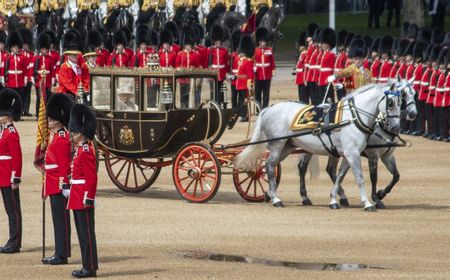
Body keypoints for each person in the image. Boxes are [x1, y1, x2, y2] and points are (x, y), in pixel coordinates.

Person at [41, 93, 74, 265]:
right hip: (53, 183)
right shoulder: (58, 136)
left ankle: (61, 254)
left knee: (60, 220)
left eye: (52, 119)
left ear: (59, 120)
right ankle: (60, 251)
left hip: (58, 185)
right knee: (58, 220)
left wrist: (64, 185)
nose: (49, 121)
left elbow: (64, 166)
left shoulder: (62, 138)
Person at [68, 103, 98, 278]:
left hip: (83, 198)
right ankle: (87, 264)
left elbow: (91, 178)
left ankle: (90, 266)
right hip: (77, 195)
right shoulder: (80, 149)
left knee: (86, 234)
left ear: (83, 132)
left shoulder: (86, 150)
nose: (72, 135)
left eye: (75, 132)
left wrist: (89, 198)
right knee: (82, 234)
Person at [0, 88, 22, 254]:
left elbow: (17, 157)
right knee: (9, 210)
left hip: (8, 176)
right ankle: (12, 240)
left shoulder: (11, 133)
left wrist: (15, 179)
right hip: (3, 175)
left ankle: (14, 242)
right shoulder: (4, 131)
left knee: (13, 211)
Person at [30, 32, 56, 119]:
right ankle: (38, 115)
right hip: (39, 82)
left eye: (45, 49)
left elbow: (52, 70)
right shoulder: (36, 58)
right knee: (39, 99)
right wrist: (32, 79)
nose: (44, 50)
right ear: (40, 49)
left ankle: (47, 114)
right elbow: (32, 70)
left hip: (48, 82)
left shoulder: (50, 58)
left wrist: (53, 79)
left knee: (47, 99)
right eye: (42, 49)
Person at [57, 32, 88, 100]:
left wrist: (85, 90)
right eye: (74, 55)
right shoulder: (64, 67)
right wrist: (78, 92)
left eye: (76, 55)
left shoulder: (78, 67)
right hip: (66, 95)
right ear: (68, 56)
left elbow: (82, 80)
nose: (76, 57)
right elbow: (67, 83)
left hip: (77, 94)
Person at [4, 31, 28, 119]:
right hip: (11, 81)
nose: (16, 48)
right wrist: (4, 79)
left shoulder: (23, 57)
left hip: (20, 81)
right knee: (10, 98)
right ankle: (10, 113)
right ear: (10, 48)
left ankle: (18, 114)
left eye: (17, 47)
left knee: (19, 99)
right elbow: (5, 70)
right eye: (14, 47)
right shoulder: (7, 57)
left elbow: (25, 69)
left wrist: (25, 79)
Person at [175, 26, 200, 108]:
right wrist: (180, 69)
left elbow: (197, 66)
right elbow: (176, 66)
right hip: (182, 79)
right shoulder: (180, 54)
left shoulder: (196, 55)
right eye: (187, 45)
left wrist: (194, 68)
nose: (189, 46)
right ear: (185, 45)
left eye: (189, 45)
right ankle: (183, 108)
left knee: (191, 95)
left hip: (192, 79)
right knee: (183, 96)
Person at [254, 27, 275, 108]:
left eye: (264, 42)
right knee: (258, 93)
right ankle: (258, 108)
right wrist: (254, 69)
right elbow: (253, 61)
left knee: (266, 92)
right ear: (259, 42)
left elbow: (272, 61)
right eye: (262, 42)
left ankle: (265, 107)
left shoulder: (269, 50)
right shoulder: (255, 50)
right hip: (258, 74)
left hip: (267, 74)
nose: (263, 43)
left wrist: (273, 70)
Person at [235, 34, 254, 121]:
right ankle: (242, 114)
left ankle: (245, 115)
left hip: (244, 84)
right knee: (241, 100)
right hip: (239, 83)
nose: (240, 52)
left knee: (245, 100)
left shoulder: (248, 62)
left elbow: (250, 75)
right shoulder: (240, 61)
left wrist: (249, 85)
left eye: (241, 51)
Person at [208, 24, 229, 103]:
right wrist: (210, 73)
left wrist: (226, 74)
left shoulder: (224, 51)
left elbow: (226, 63)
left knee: (220, 91)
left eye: (219, 41)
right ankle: (212, 105)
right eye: (216, 41)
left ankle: (219, 105)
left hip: (222, 73)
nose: (218, 43)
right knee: (213, 91)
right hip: (213, 73)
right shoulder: (210, 50)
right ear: (214, 41)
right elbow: (209, 63)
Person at [317, 27, 336, 104]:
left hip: (327, 79)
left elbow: (332, 69)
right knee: (321, 98)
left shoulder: (331, 54)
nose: (322, 45)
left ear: (328, 44)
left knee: (328, 98)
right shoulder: (323, 54)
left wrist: (330, 80)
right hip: (321, 79)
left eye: (324, 43)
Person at [19, 28, 33, 117]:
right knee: (21, 95)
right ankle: (20, 110)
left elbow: (31, 67)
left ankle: (26, 110)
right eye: (24, 44)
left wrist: (30, 77)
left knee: (28, 94)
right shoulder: (19, 54)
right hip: (21, 77)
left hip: (29, 77)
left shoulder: (31, 54)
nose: (25, 46)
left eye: (26, 44)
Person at [294, 31, 308, 103]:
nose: (299, 47)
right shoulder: (302, 54)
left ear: (305, 46)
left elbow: (305, 67)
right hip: (300, 77)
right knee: (301, 96)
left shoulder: (305, 54)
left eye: (301, 45)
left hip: (303, 77)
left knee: (304, 96)